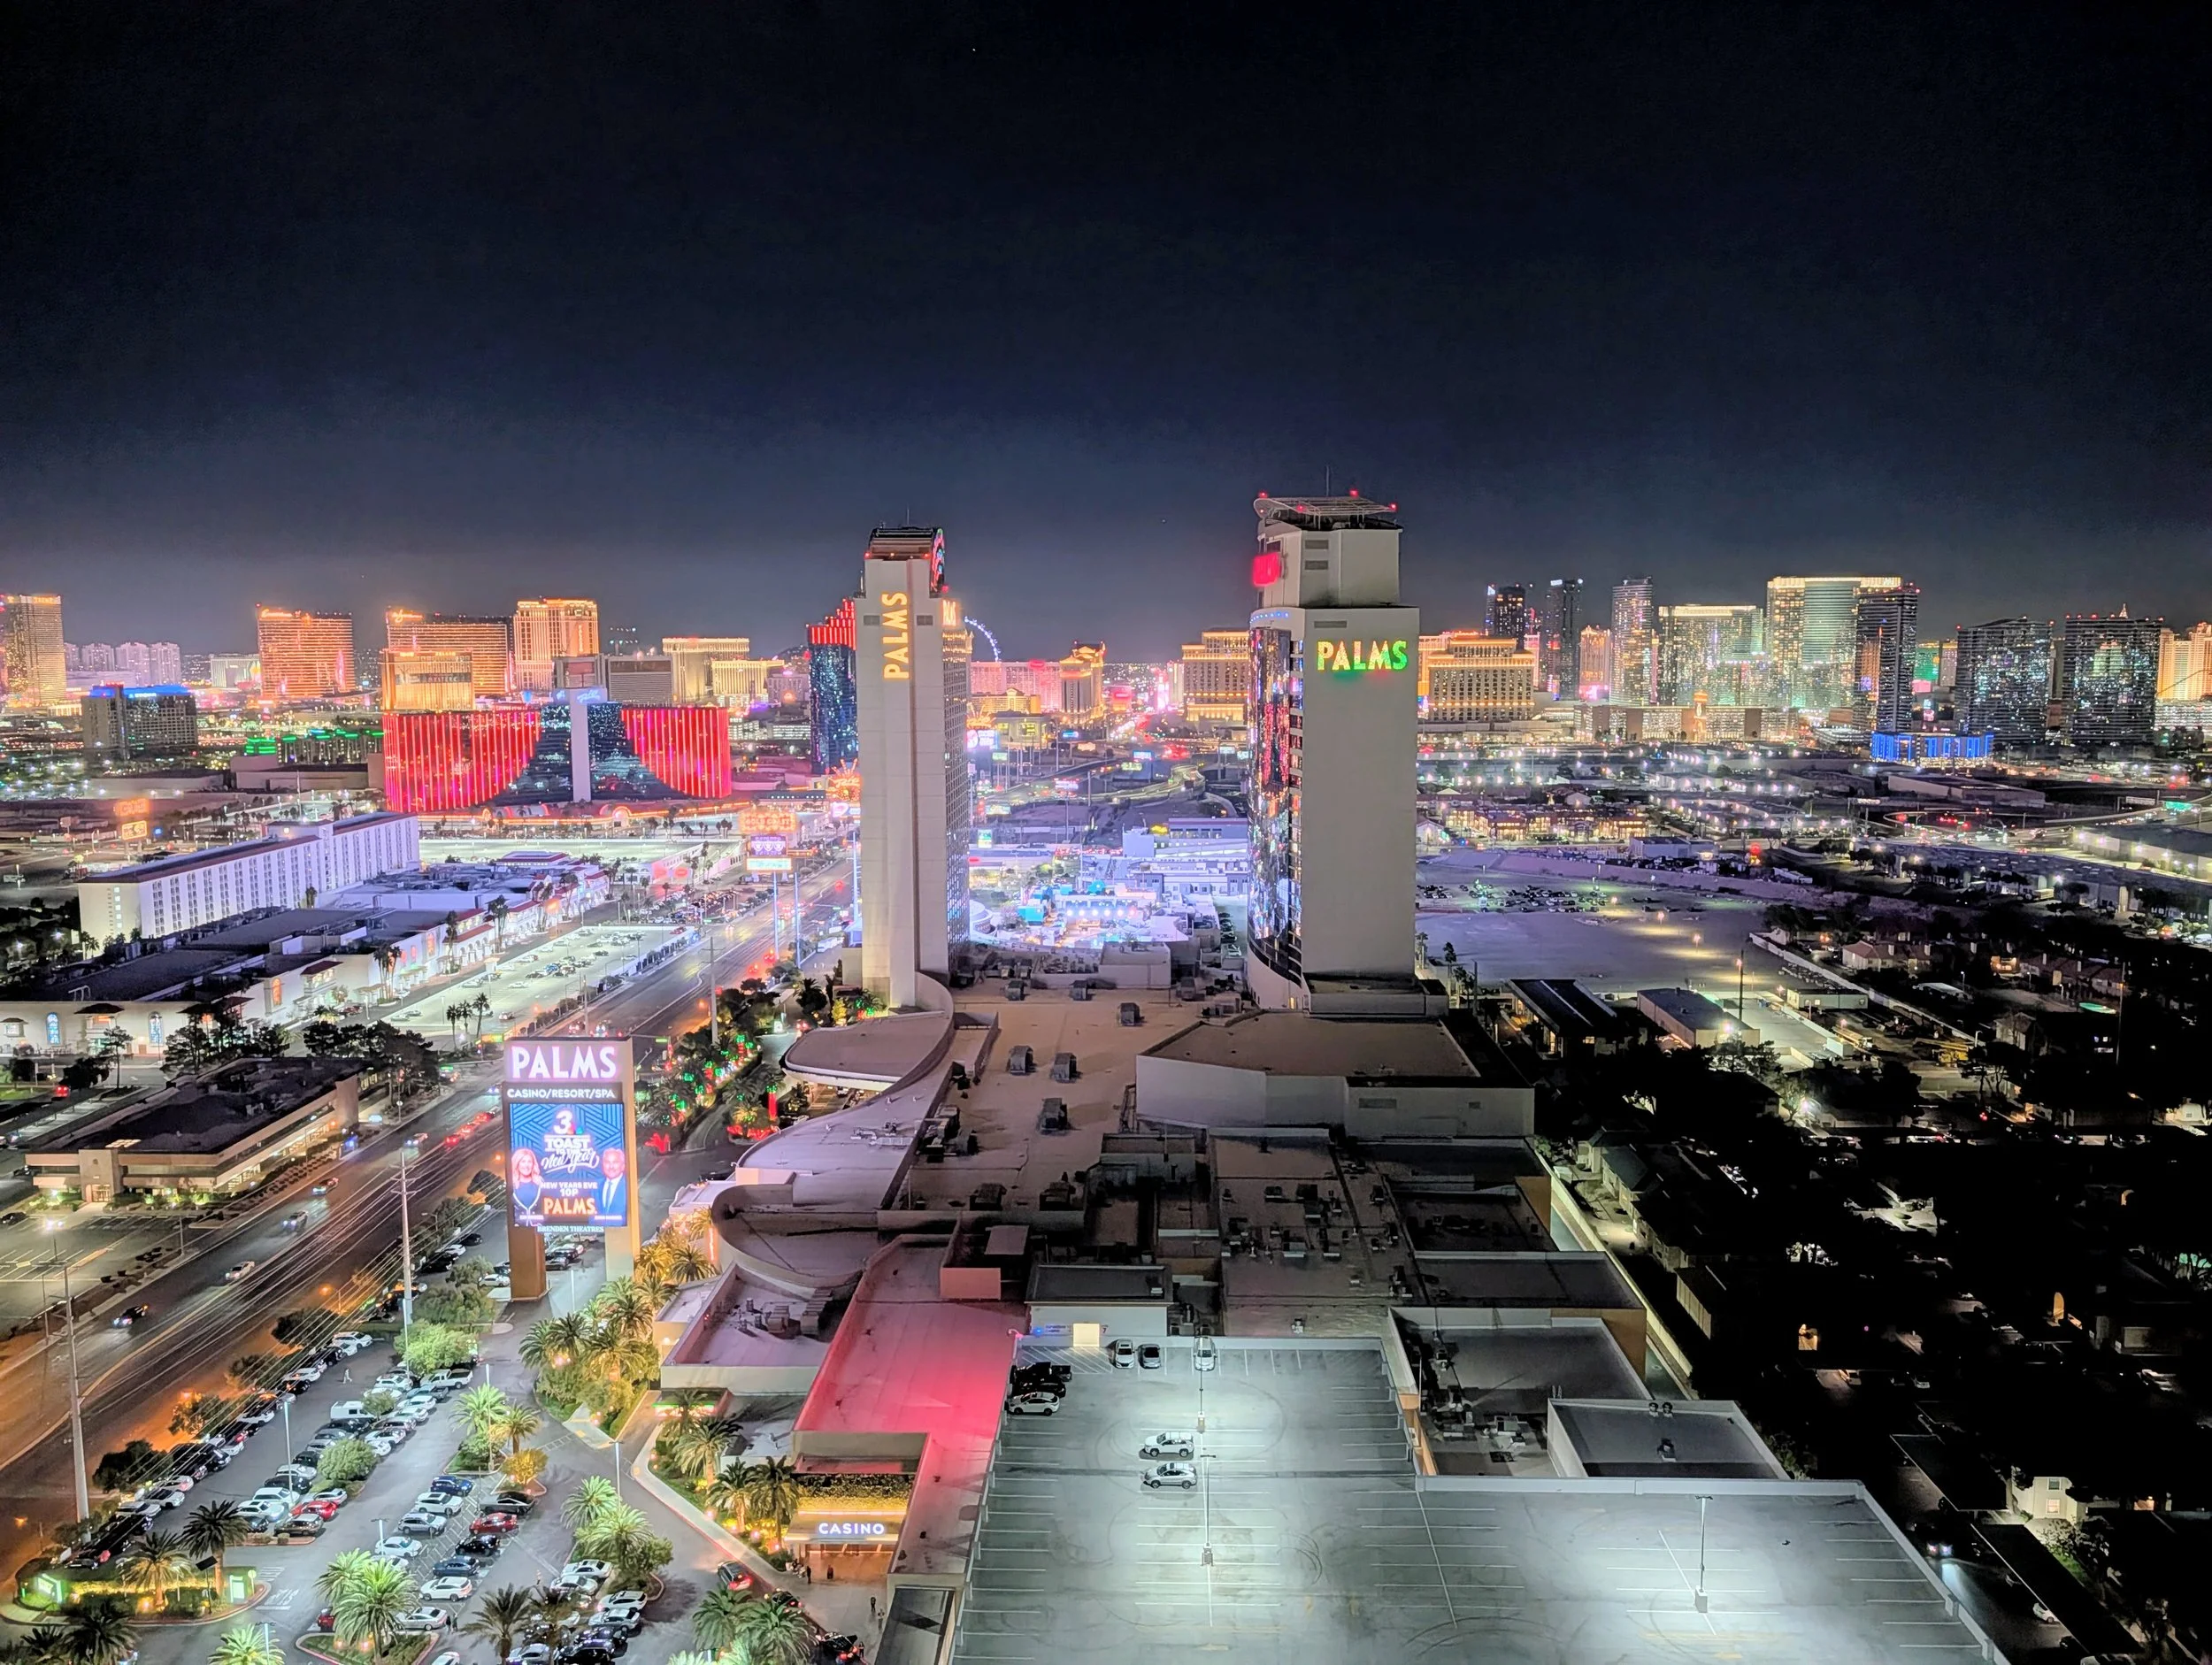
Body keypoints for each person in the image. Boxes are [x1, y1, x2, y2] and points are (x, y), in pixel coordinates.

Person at [510, 1147, 543, 1214]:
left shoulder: (541, 1184)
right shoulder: (511, 1185)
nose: (526, 1165)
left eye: (529, 1162)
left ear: (533, 1164)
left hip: (539, 1224)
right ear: (517, 1164)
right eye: (523, 1161)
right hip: (517, 1224)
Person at [597, 1144, 628, 1216]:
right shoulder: (595, 1186)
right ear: (602, 1165)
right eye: (607, 1162)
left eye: (615, 1162)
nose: (611, 1167)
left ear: (623, 1166)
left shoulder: (629, 1186)